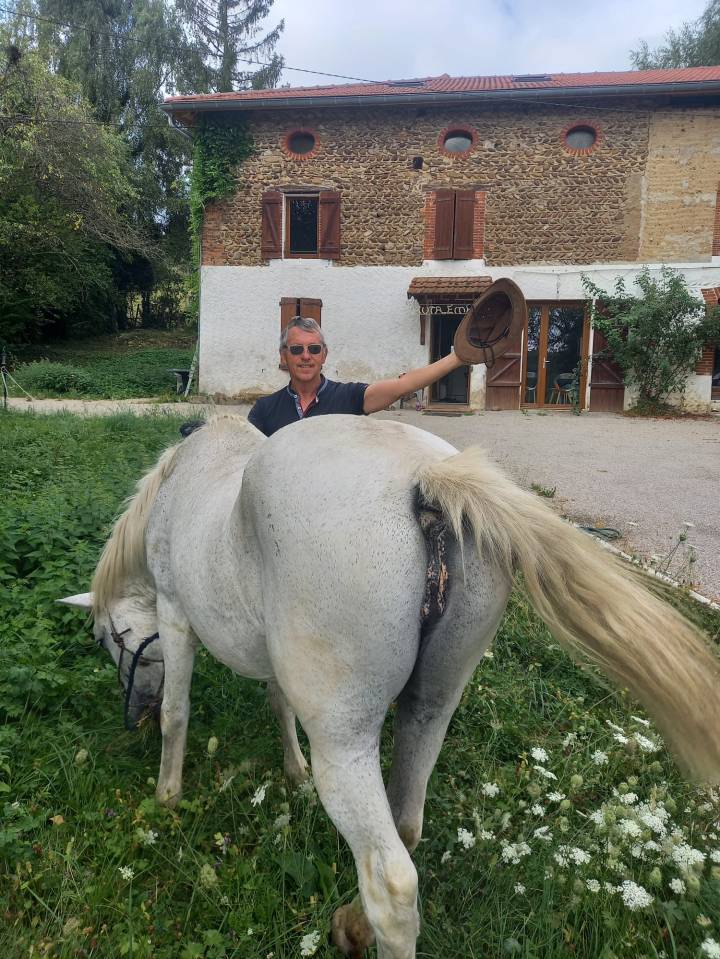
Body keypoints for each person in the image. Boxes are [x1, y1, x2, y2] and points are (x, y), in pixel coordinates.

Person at [248, 316, 467, 438]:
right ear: (283, 356)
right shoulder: (264, 410)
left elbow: (403, 385)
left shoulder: (347, 397)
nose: (306, 356)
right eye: (296, 350)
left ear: (324, 355)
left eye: (314, 349)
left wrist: (457, 357)